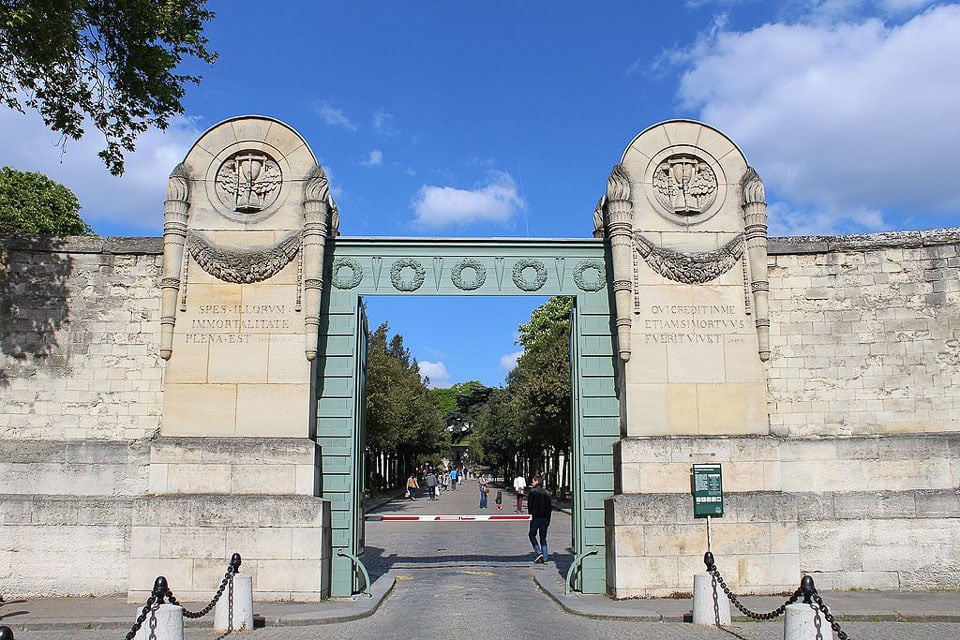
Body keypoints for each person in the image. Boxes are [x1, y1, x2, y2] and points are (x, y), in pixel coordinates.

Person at [527, 475, 552, 563]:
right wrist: (548, 519)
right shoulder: (547, 493)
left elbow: (530, 505)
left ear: (537, 481)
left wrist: (530, 516)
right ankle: (545, 557)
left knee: (531, 535)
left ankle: (538, 552)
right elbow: (550, 508)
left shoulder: (532, 492)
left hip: (536, 517)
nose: (532, 483)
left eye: (533, 481)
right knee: (543, 538)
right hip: (545, 518)